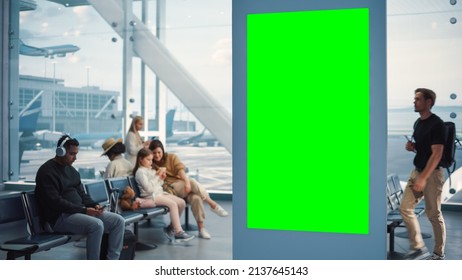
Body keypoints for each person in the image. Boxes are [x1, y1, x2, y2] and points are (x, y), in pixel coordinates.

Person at [35, 135, 125, 260]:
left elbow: (82, 194)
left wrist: (94, 205)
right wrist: (84, 210)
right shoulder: (47, 172)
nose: (75, 158)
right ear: (60, 151)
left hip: (78, 213)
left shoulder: (72, 171)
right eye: (72, 154)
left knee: (118, 221)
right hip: (58, 217)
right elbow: (55, 202)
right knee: (96, 225)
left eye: (76, 154)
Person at [149, 139, 228, 240]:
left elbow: (180, 170)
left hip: (182, 186)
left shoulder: (171, 157)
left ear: (163, 151)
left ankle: (201, 229)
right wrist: (159, 175)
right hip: (170, 189)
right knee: (193, 182)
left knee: (196, 198)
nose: (157, 155)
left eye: (159, 152)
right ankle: (213, 204)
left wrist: (186, 183)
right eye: (154, 153)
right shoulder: (151, 164)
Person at [400, 88, 446, 260]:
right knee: (405, 208)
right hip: (417, 171)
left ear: (428, 102)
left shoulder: (437, 124)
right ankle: (418, 247)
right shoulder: (418, 123)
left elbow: (437, 154)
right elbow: (424, 149)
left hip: (432, 174)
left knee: (434, 214)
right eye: (414, 99)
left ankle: (438, 253)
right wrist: (412, 147)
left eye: (418, 99)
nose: (414, 102)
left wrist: (424, 178)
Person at [134, 148, 195, 243]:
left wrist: (161, 179)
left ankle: (171, 227)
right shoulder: (140, 172)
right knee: (173, 205)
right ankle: (178, 232)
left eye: (151, 160)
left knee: (182, 202)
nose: (151, 162)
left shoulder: (149, 169)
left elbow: (157, 185)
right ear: (140, 159)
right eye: (148, 160)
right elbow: (149, 189)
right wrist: (157, 176)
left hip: (159, 193)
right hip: (151, 196)